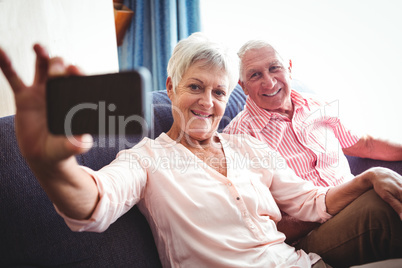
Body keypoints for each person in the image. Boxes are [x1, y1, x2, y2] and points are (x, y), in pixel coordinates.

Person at [0, 33, 401, 268]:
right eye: (195, 87)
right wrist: (49, 164)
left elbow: (312, 202)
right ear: (171, 88)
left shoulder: (250, 147)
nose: (207, 102)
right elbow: (93, 203)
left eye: (219, 91)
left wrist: (368, 177)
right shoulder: (147, 159)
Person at [223, 39, 402, 266]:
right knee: (380, 208)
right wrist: (341, 203)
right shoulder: (239, 138)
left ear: (289, 67)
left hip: (356, 201)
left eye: (274, 68)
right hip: (310, 234)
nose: (269, 82)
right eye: (255, 75)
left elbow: (364, 145)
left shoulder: (317, 105)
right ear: (243, 86)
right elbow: (260, 225)